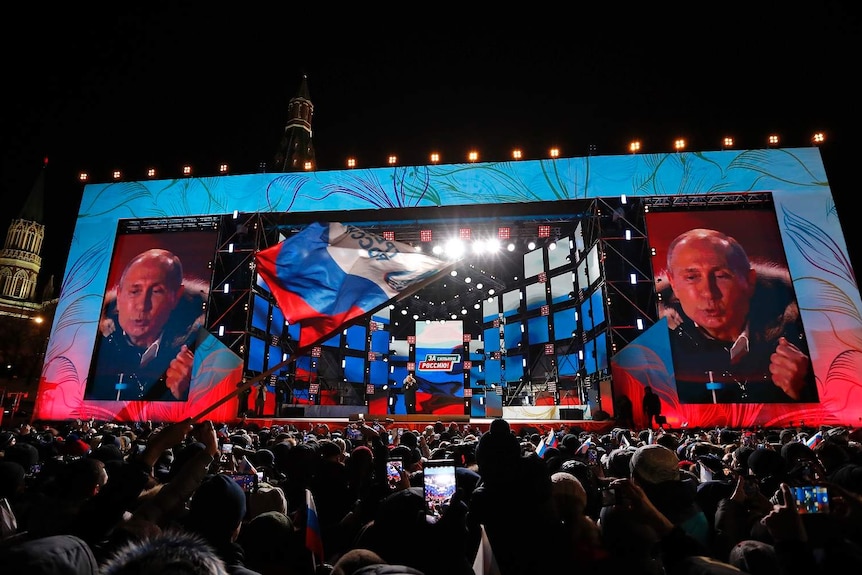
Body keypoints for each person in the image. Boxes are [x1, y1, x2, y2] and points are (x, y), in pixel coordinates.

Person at [657, 228, 817, 404]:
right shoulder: (657, 348)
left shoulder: (807, 331)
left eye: (721, 276)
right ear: (673, 283)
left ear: (749, 280)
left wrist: (807, 389)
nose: (709, 293)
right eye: (692, 277)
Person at [85, 249, 208, 401]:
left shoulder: (203, 349)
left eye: (156, 291)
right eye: (134, 291)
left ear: (175, 296)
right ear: (119, 295)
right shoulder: (89, 343)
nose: (142, 306)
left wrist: (196, 388)